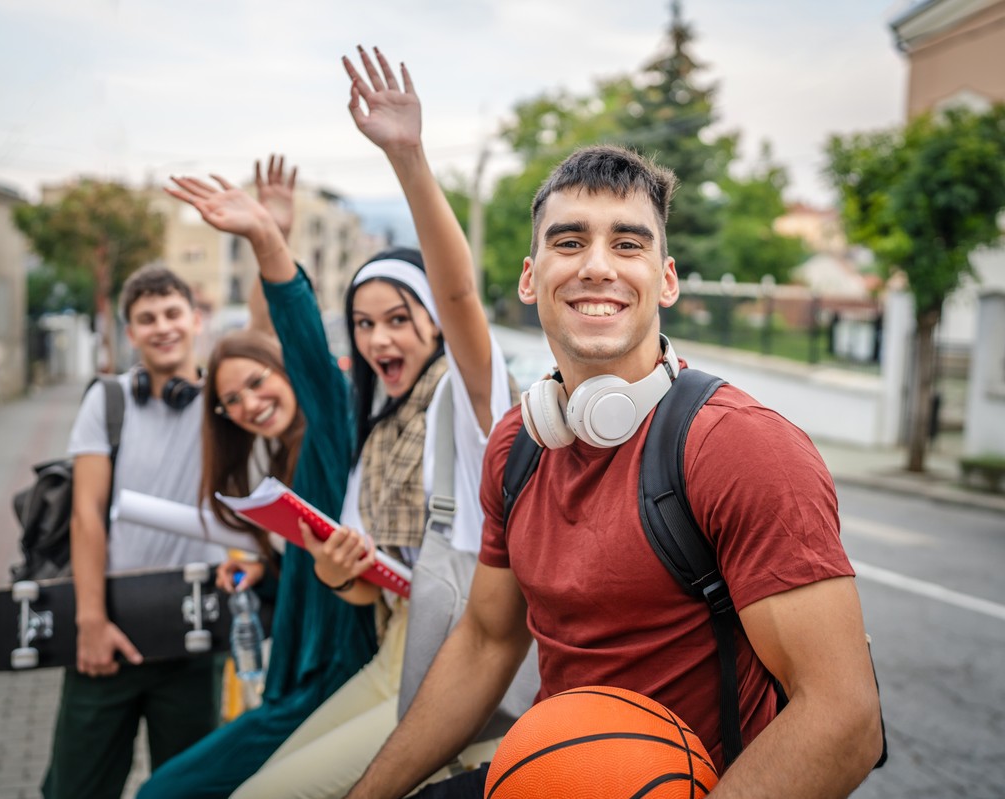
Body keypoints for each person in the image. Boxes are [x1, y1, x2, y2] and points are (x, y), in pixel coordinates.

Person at [345, 145, 885, 799]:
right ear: (528, 276)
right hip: (546, 770)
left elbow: (845, 718)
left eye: (628, 244)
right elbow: (488, 641)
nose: (597, 266)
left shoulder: (742, 447)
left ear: (666, 280)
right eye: (569, 241)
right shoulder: (516, 444)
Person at [224, 46, 517, 799]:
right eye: (362, 323)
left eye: (398, 318)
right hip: (393, 649)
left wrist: (408, 158)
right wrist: (335, 570)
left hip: (458, 664)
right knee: (260, 781)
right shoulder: (377, 424)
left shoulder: (468, 396)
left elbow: (462, 303)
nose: (380, 338)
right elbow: (367, 586)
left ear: (430, 320)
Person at [137, 162, 381, 799]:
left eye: (256, 382)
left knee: (163, 791)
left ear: (286, 373)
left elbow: (290, 332)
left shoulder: (333, 433)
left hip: (331, 682)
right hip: (289, 680)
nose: (247, 402)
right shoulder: (282, 465)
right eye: (231, 401)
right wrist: (262, 570)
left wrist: (268, 241)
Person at [41, 264, 227, 799]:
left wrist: (269, 235)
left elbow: (265, 335)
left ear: (195, 320)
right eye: (147, 318)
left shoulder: (226, 401)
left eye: (172, 313)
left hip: (195, 630)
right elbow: (87, 514)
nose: (162, 326)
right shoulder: (108, 401)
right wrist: (91, 620)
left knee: (187, 788)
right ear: (130, 333)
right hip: (111, 629)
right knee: (76, 786)